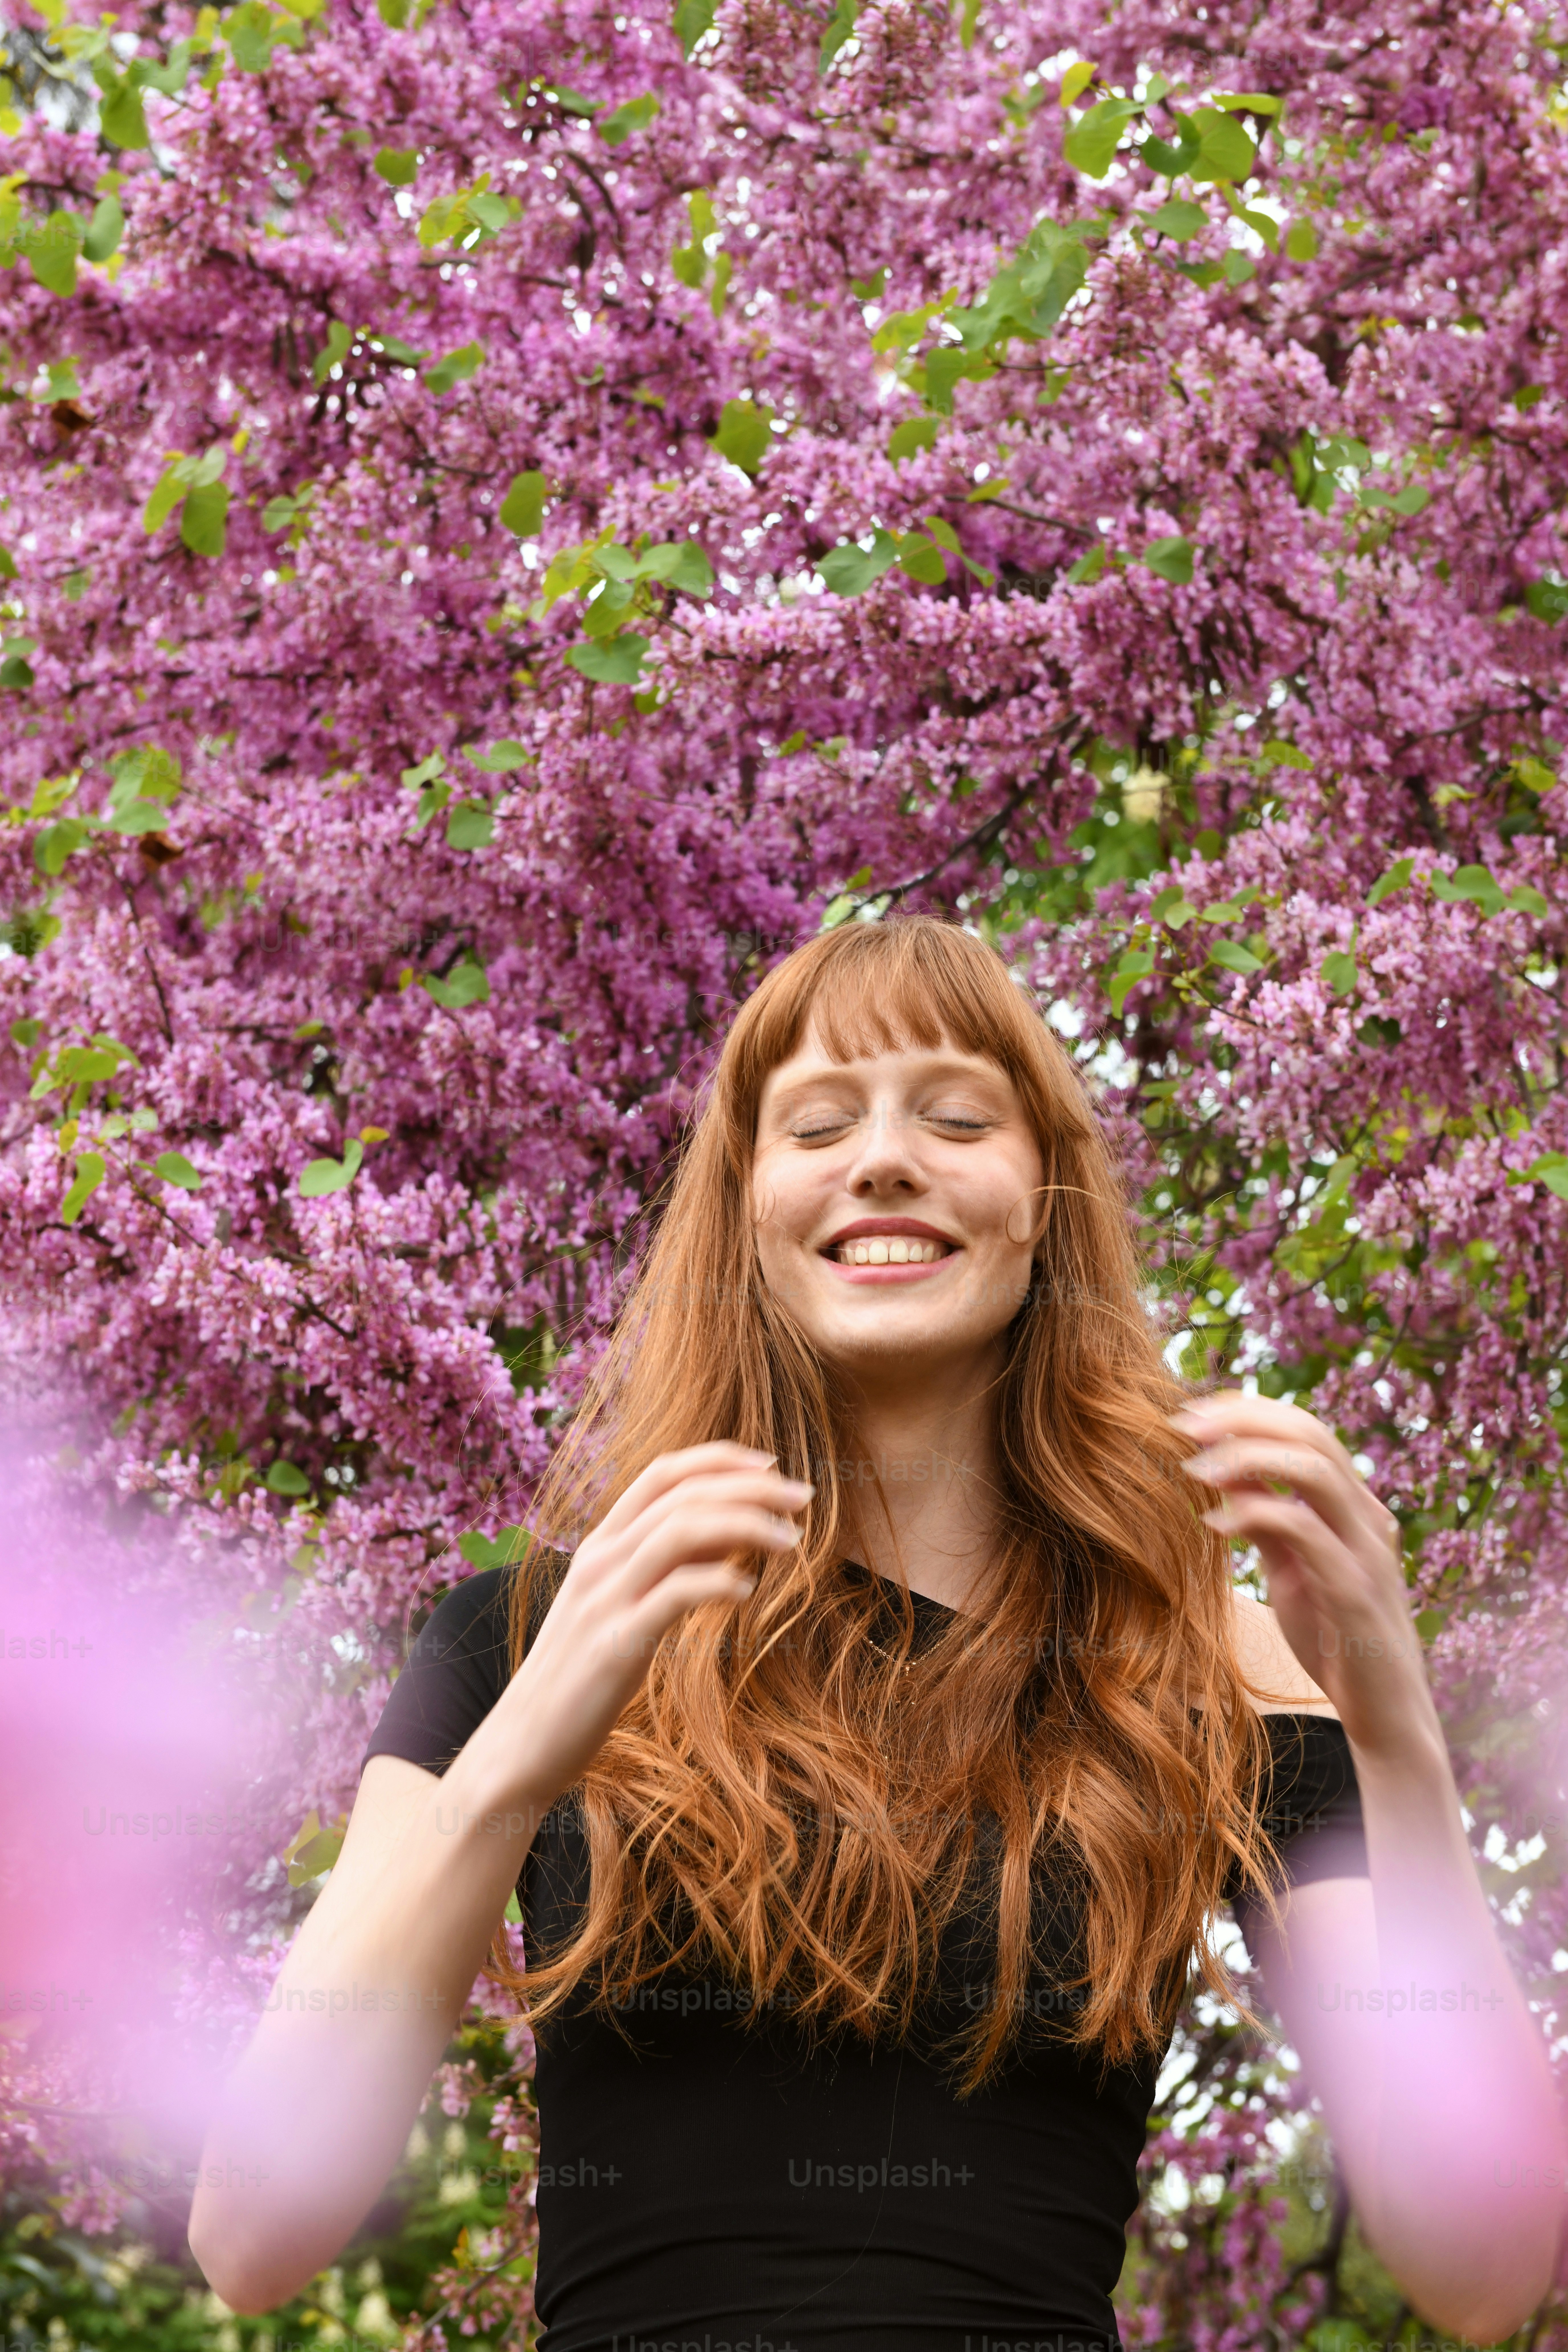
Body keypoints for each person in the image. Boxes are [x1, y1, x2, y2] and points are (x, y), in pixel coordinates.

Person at [190, 917, 1563, 2350]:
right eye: (819, 1124)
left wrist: (1395, 1737)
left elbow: (1480, 2271)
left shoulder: (1201, 1668)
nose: (883, 1159)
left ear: (1039, 1202)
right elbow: (251, 2233)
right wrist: (518, 1756)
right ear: (750, 1211)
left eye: (956, 1116)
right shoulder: (525, 1636)